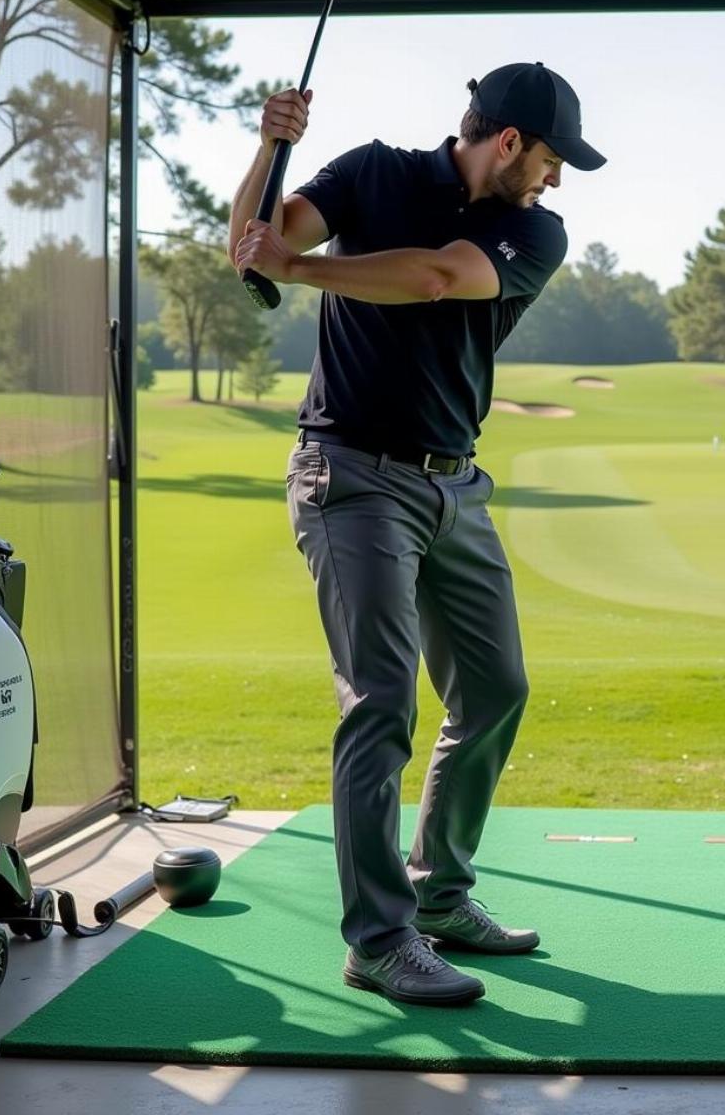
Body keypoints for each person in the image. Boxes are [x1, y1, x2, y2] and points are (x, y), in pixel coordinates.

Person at [229, 63, 605, 1006]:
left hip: (453, 487)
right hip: (348, 476)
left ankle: (440, 895)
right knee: (382, 699)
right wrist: (272, 146)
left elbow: (437, 277)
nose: (556, 181)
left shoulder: (532, 230)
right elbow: (252, 242)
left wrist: (299, 271)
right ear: (510, 141)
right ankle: (380, 939)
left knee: (495, 687)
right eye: (553, 159)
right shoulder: (369, 172)